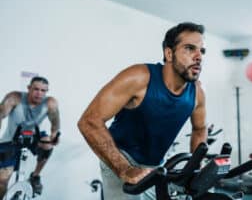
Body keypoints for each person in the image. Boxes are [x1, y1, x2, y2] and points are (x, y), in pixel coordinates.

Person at [78, 22, 208, 200]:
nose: (199, 56)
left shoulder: (197, 94)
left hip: (156, 165)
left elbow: (199, 129)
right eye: (189, 48)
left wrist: (196, 166)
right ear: (169, 53)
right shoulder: (139, 77)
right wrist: (124, 169)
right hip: (121, 158)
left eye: (202, 51)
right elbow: (89, 121)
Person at [0, 76, 60, 198]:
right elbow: (0, 114)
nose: (39, 93)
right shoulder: (14, 98)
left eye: (43, 90)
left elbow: (55, 124)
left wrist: (54, 135)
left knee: (48, 143)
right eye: (36, 89)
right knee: (3, 179)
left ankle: (35, 176)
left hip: (34, 138)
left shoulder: (50, 103)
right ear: (29, 88)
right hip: (11, 140)